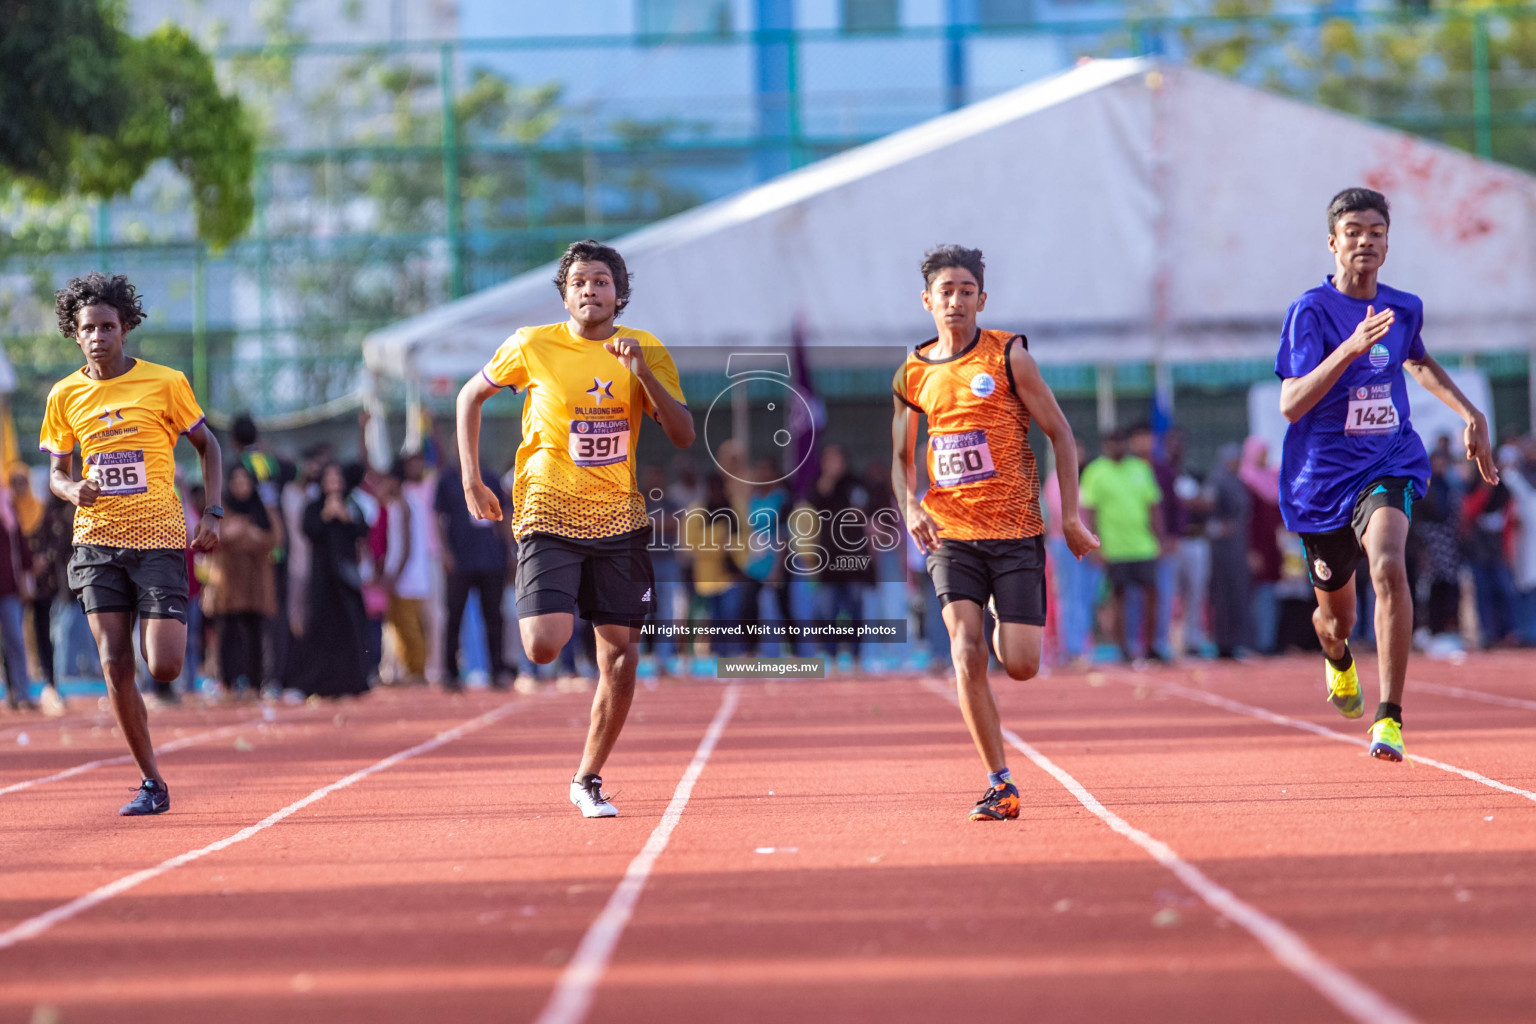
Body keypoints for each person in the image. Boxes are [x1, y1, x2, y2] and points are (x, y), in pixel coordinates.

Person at [454, 238, 693, 818]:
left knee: (621, 661)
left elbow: (683, 433)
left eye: (602, 281)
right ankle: (560, 597)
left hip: (619, 517)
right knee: (542, 645)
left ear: (619, 293)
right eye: (580, 281)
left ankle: (587, 777)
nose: (591, 290)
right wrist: (472, 480)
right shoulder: (533, 345)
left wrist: (641, 375)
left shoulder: (646, 349)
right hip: (548, 508)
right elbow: (469, 396)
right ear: (565, 294)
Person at [1276, 187, 1496, 762]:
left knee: (1390, 563)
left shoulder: (1403, 307)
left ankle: (1389, 718)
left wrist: (1471, 413)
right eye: (1353, 231)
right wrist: (1348, 349)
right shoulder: (1310, 312)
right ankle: (1338, 657)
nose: (1365, 240)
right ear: (1333, 242)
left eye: (1375, 231)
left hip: (1387, 461)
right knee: (1335, 619)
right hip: (1321, 480)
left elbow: (1416, 360)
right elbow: (1291, 403)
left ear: (1387, 242)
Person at [892, 244, 1098, 822]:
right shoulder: (913, 371)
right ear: (927, 300)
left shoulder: (1010, 357)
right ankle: (999, 781)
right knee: (965, 649)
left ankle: (1011, 619)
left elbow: (1060, 434)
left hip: (1014, 533)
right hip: (951, 533)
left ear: (982, 298)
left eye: (965, 291)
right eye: (945, 291)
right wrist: (910, 504)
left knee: (1022, 663)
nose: (955, 300)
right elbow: (900, 457)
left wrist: (1071, 518)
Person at [39, 273, 223, 815]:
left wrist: (211, 510)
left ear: (125, 329)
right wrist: (73, 488)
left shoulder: (165, 383)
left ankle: (157, 659)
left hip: (159, 536)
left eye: (108, 326)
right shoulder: (64, 395)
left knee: (163, 666)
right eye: (88, 328)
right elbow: (56, 471)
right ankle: (152, 782)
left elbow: (207, 446)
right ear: (76, 335)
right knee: (114, 661)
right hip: (96, 542)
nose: (98, 336)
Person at [284, 463, 371, 698]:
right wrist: (325, 514)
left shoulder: (352, 506)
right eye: (328, 478)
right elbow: (308, 529)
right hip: (321, 579)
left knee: (350, 628)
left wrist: (344, 516)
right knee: (320, 630)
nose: (333, 483)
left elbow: (362, 530)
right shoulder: (313, 506)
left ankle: (352, 682)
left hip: (347, 579)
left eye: (337, 478)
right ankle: (316, 682)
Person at [1079, 429, 1164, 663]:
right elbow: (1089, 511)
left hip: (1143, 545)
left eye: (1121, 443)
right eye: (1112, 444)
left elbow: (1153, 506)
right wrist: (1096, 545)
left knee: (1152, 595)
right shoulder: (1095, 472)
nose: (1118, 447)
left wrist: (1160, 538)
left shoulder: (1141, 468)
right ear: (1106, 446)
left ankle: (1150, 646)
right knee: (1119, 598)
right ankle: (1123, 648)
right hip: (1114, 548)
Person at [201, 463, 278, 698]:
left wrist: (245, 535)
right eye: (236, 481)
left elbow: (274, 538)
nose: (241, 486)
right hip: (227, 583)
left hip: (255, 583)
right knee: (227, 636)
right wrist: (232, 534)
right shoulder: (219, 509)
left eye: (245, 481)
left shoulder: (263, 510)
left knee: (254, 635)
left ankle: (256, 684)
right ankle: (227, 684)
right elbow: (207, 536)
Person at [380, 461, 431, 686]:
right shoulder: (398, 504)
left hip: (407, 575)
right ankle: (406, 668)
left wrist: (396, 573)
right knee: (398, 625)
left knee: (409, 625)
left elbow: (407, 543)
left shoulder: (406, 505)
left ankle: (417, 669)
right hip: (400, 572)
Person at [1205, 444, 1252, 658]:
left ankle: (1238, 642)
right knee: (1223, 596)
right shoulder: (1217, 480)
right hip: (1221, 550)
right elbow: (1206, 510)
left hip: (1238, 548)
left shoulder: (1238, 481)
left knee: (1239, 595)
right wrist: (1216, 528)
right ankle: (1223, 644)